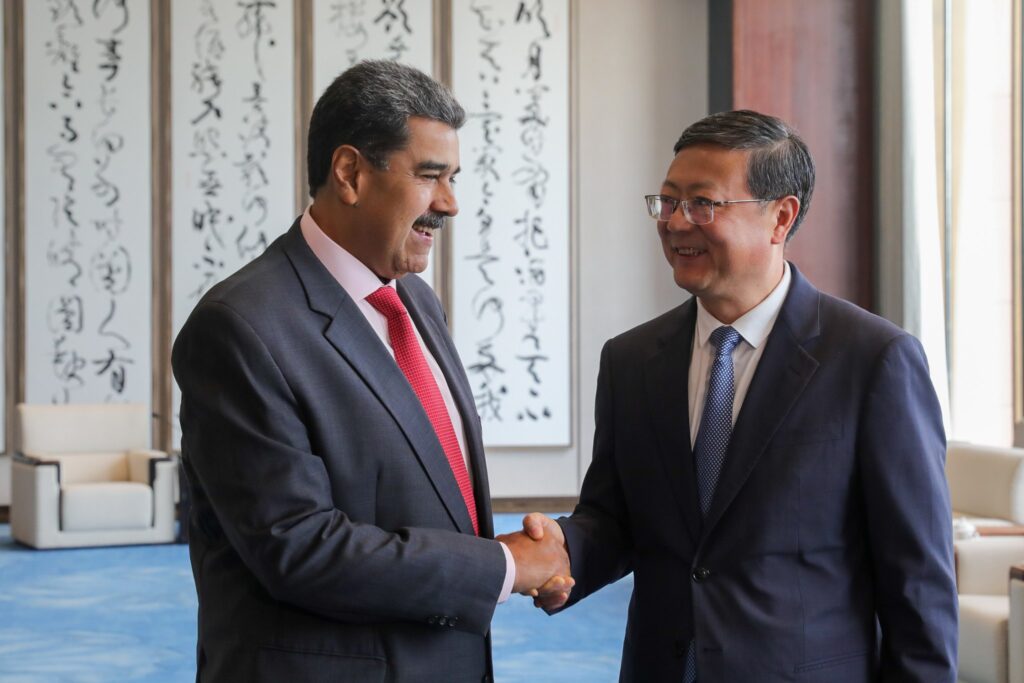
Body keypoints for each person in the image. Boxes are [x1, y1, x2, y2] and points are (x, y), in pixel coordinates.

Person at [516, 110, 958, 681]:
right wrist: (562, 554)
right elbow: (616, 518)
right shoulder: (630, 360)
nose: (676, 223)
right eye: (667, 201)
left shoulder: (873, 360)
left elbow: (917, 579)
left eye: (703, 204)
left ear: (781, 216)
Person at [172, 60, 569, 682]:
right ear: (350, 173)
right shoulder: (239, 327)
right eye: (430, 176)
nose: (451, 204)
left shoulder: (414, 300)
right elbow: (299, 548)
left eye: (454, 177)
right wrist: (504, 567)